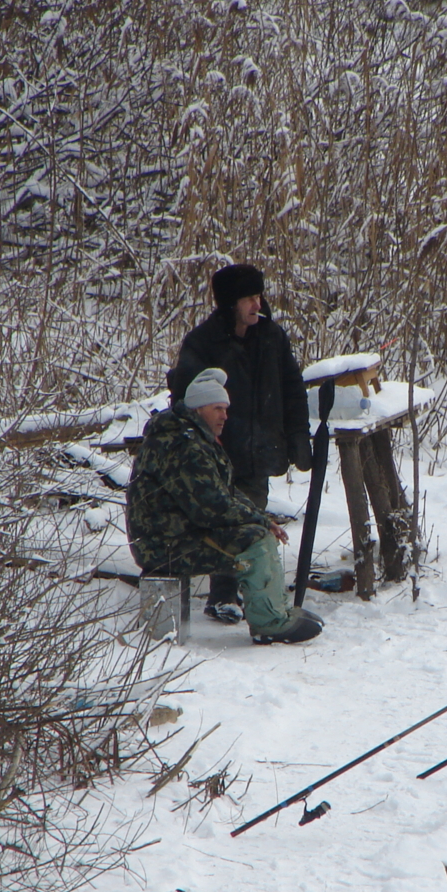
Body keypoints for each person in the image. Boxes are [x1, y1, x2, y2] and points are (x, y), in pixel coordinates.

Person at [126, 369, 322, 645]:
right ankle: (271, 624)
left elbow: (225, 491)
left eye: (226, 409)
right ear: (199, 408)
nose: (225, 415)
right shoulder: (183, 446)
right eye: (218, 408)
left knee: (257, 531)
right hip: (162, 544)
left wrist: (261, 518)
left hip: (176, 534)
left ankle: (278, 612)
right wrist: (260, 523)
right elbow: (212, 508)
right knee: (254, 542)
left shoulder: (193, 438)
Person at [166, 263, 312, 624]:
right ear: (231, 303)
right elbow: (182, 399)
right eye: (249, 298)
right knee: (221, 517)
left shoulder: (272, 337)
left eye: (259, 296)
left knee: (252, 510)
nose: (256, 304)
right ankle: (223, 594)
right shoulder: (202, 342)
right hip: (216, 451)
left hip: (259, 449)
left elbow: (293, 389)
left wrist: (297, 435)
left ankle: (250, 591)